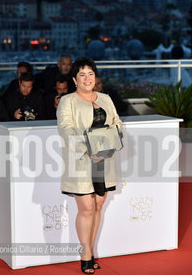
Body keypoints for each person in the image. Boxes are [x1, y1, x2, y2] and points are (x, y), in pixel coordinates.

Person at [57, 57, 122, 274]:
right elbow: (66, 129)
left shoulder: (105, 98)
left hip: (104, 160)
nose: (87, 78)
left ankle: (91, 252)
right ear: (75, 79)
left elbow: (116, 123)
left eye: (91, 73)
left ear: (95, 77)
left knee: (98, 206)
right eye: (82, 74)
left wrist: (110, 145)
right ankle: (85, 256)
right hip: (82, 160)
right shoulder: (68, 101)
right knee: (86, 207)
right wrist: (88, 149)